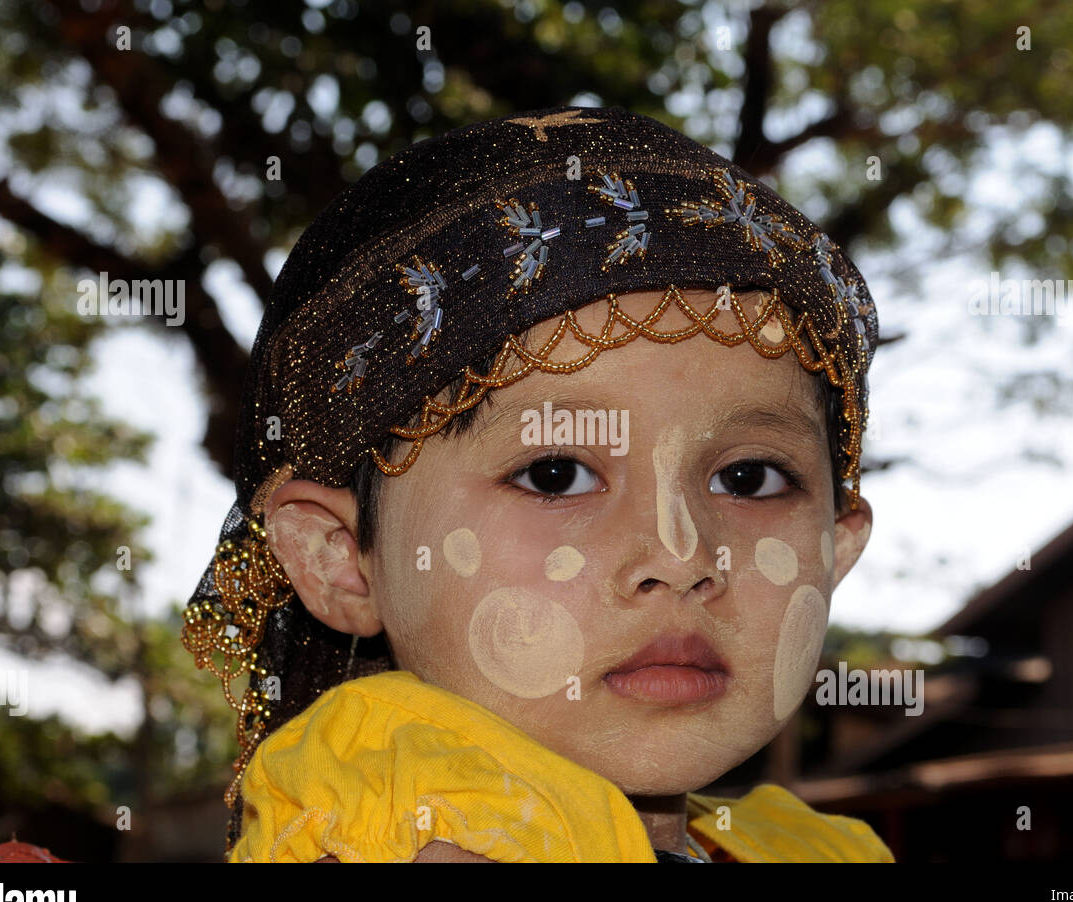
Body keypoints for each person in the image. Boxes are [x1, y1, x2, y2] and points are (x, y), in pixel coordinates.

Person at [182, 105, 891, 862]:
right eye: (558, 473)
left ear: (836, 546)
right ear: (340, 558)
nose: (681, 555)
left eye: (749, 477)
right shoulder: (395, 824)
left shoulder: (817, 850)